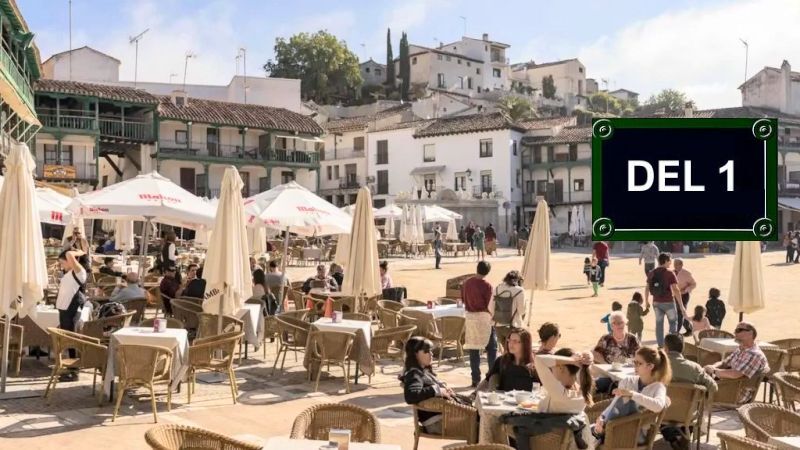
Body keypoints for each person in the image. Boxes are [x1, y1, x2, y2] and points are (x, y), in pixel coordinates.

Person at [592, 347, 671, 443]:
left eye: (639, 363)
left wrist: (632, 394)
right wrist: (602, 417)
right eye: (634, 362)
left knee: (626, 399)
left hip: (636, 434)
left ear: (650, 366)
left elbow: (658, 406)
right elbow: (615, 405)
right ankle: (600, 429)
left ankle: (599, 432)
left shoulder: (658, 387)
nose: (635, 366)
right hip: (613, 427)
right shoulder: (627, 381)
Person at [402, 337, 459, 435]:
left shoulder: (422, 371)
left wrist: (443, 389)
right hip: (438, 423)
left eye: (431, 351)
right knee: (481, 425)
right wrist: (437, 390)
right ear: (415, 354)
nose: (431, 354)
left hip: (443, 418)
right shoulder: (414, 374)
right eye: (426, 351)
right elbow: (411, 396)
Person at [703, 322, 770, 403]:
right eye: (735, 330)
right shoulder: (741, 349)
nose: (735, 333)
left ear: (750, 333)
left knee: (696, 389)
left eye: (739, 330)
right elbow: (724, 363)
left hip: (737, 394)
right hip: (727, 386)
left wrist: (714, 371)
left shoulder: (754, 354)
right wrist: (712, 366)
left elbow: (735, 374)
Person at [56, 249, 89, 381]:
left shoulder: (79, 272)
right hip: (65, 309)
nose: (61, 266)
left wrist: (79, 252)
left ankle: (74, 372)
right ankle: (70, 368)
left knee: (72, 340)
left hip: (72, 308)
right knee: (68, 340)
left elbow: (69, 254)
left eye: (62, 263)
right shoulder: (70, 272)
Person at [463, 261, 496, 387]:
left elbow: (463, 298)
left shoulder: (467, 283)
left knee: (474, 348)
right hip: (484, 317)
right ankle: (492, 376)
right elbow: (490, 304)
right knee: (492, 348)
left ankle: (475, 379)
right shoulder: (487, 285)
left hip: (471, 317)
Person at [644, 252, 687, 348]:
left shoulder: (652, 273)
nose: (671, 263)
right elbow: (676, 289)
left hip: (656, 302)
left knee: (659, 324)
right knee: (673, 323)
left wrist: (646, 301)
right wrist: (681, 305)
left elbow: (647, 288)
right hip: (668, 302)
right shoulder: (670, 273)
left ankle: (660, 346)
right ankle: (671, 346)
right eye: (670, 261)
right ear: (666, 261)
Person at [593, 311, 641, 393]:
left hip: (628, 376)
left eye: (621, 322)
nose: (619, 325)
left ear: (625, 323)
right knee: (598, 384)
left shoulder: (633, 339)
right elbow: (595, 354)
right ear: (611, 326)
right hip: (609, 375)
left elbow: (641, 356)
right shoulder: (605, 339)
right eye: (615, 323)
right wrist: (607, 365)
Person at [673, 258, 697, 337]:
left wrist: (686, 290)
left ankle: (676, 333)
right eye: (674, 264)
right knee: (678, 313)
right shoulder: (671, 272)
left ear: (681, 265)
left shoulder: (686, 273)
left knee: (680, 313)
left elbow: (694, 284)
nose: (675, 265)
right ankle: (689, 329)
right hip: (674, 295)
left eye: (677, 264)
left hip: (684, 296)